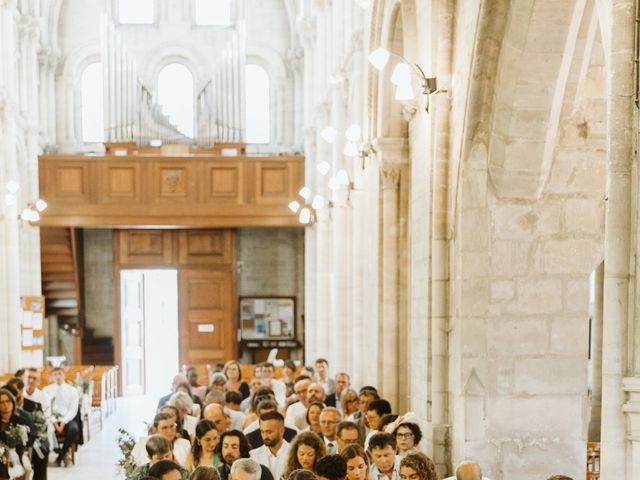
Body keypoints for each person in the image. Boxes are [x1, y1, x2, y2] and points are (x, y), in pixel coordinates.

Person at [42, 367, 79, 467]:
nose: (58, 376)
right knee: (44, 429)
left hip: (67, 418)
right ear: (52, 377)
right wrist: (54, 421)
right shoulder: (46, 390)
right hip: (50, 419)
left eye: (60, 374)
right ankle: (60, 454)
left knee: (74, 429)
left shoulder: (72, 390)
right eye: (55, 374)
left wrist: (63, 421)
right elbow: (45, 408)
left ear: (64, 375)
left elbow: (73, 410)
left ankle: (61, 455)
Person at [0, 388, 34, 479]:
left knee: (27, 468)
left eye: (8, 401)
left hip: (18, 454)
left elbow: (29, 440)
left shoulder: (21, 421)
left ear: (12, 402)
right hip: (1, 456)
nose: (5, 405)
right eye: (1, 402)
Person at [249, 411, 291, 480]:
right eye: (262, 431)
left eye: (269, 432)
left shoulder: (295, 453)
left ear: (282, 431)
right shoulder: (253, 455)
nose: (265, 436)